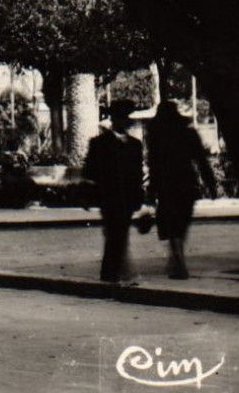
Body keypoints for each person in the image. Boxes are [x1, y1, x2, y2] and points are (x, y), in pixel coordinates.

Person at [146, 101, 217, 280]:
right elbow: (202, 161)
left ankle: (178, 261)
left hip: (166, 185)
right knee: (181, 225)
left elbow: (154, 165)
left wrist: (152, 190)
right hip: (186, 184)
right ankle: (177, 260)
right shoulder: (189, 134)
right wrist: (211, 184)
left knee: (172, 226)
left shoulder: (156, 136)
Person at [82, 101, 145, 284]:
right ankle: (114, 274)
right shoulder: (99, 144)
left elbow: (138, 174)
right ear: (115, 119)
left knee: (118, 234)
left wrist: (139, 197)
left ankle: (113, 273)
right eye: (123, 117)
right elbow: (89, 171)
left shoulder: (135, 145)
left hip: (128, 198)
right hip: (108, 197)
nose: (127, 121)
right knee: (116, 233)